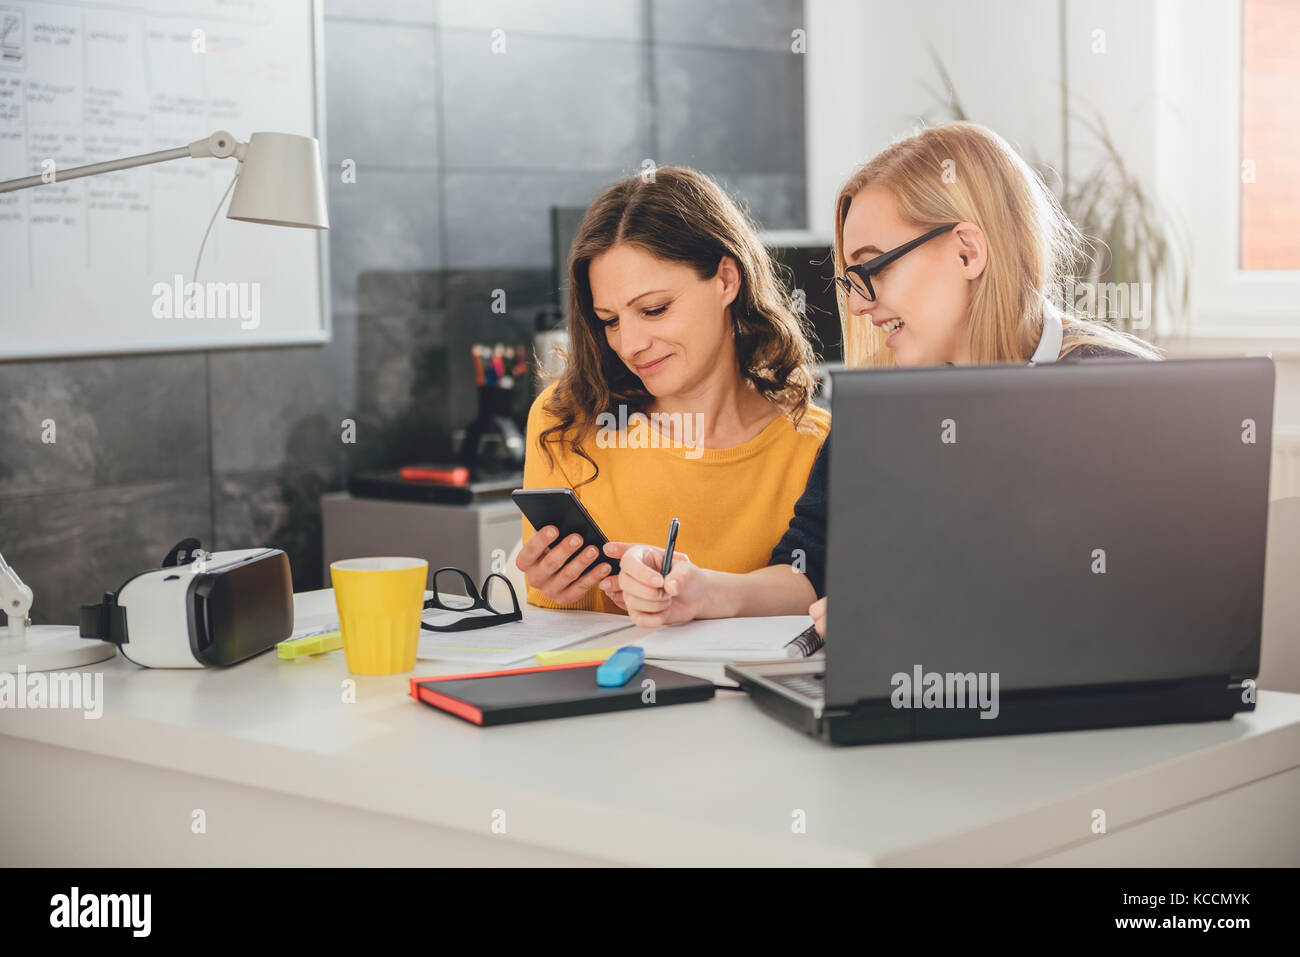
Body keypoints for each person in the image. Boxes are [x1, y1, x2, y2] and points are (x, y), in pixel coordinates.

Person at [607, 121, 1159, 632]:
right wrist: (704, 592)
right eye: (852, 280)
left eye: (873, 269)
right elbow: (814, 563)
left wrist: (917, 619)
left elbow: (1127, 597)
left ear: (967, 251)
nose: (862, 305)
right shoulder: (883, 407)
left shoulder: (1122, 397)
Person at [515, 166, 829, 614]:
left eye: (655, 309)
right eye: (610, 321)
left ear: (726, 279)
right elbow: (553, 619)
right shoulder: (566, 420)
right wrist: (552, 585)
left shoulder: (815, 447)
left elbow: (811, 591)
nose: (630, 344)